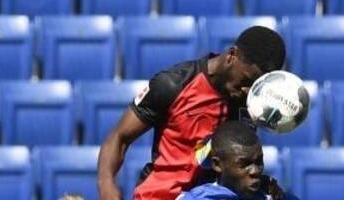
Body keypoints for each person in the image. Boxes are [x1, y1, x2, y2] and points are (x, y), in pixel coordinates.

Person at [97, 26, 287, 200]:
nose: (248, 91)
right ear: (232, 55)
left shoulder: (251, 102)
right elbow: (119, 138)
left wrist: (260, 183)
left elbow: (233, 162)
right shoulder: (174, 84)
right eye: (247, 80)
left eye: (255, 86)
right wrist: (107, 186)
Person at [176, 121, 298, 200]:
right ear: (217, 165)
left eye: (259, 161)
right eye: (244, 164)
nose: (255, 171)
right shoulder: (196, 198)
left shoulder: (273, 196)